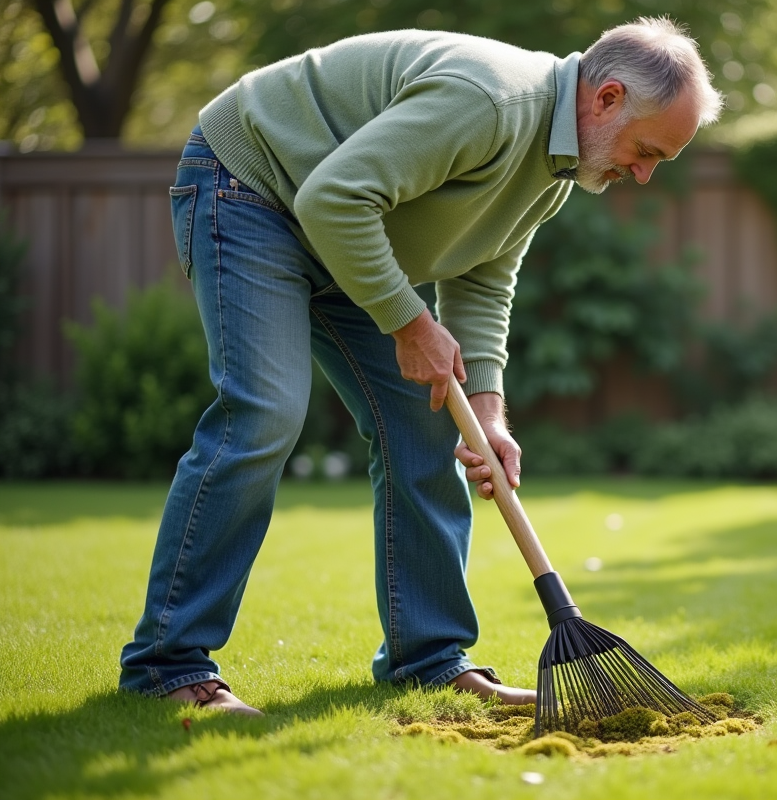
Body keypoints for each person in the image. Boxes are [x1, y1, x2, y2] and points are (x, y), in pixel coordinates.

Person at [118, 17, 723, 716]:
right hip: (253, 188)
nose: (642, 175)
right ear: (607, 98)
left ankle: (428, 661)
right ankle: (168, 663)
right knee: (266, 412)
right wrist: (409, 324)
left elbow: (482, 279)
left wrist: (488, 415)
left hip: (344, 237)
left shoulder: (554, 166)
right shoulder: (493, 103)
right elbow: (331, 197)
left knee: (431, 428)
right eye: (647, 152)